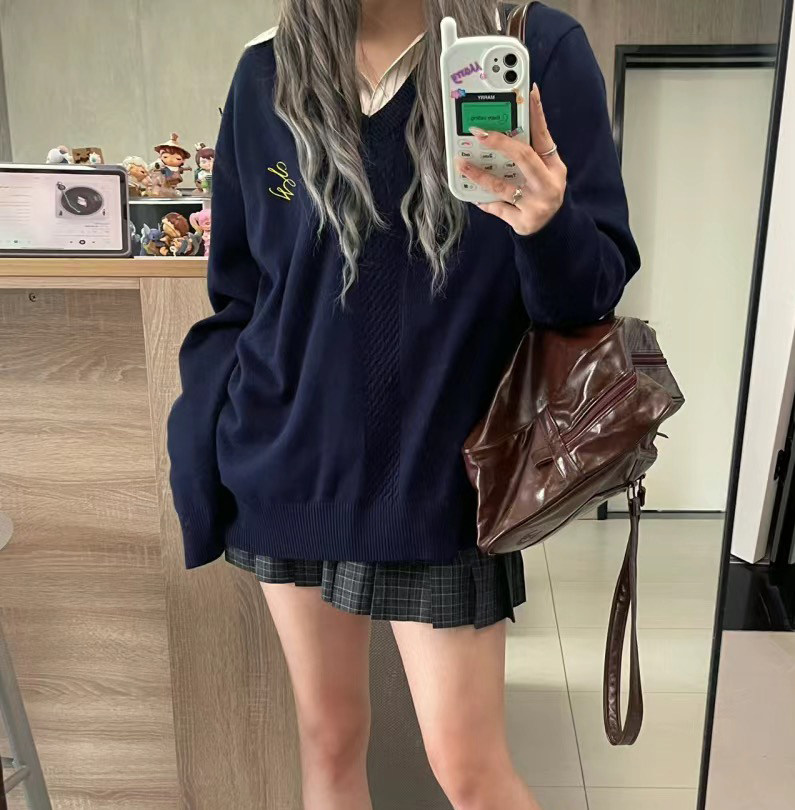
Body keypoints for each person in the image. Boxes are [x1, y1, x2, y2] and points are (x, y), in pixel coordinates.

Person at [166, 1, 640, 808]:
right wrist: (202, 437)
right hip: (288, 462)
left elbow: (587, 297)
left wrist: (545, 223)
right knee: (328, 743)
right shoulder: (266, 71)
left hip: (439, 477)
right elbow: (242, 290)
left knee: (469, 770)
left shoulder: (529, 46)